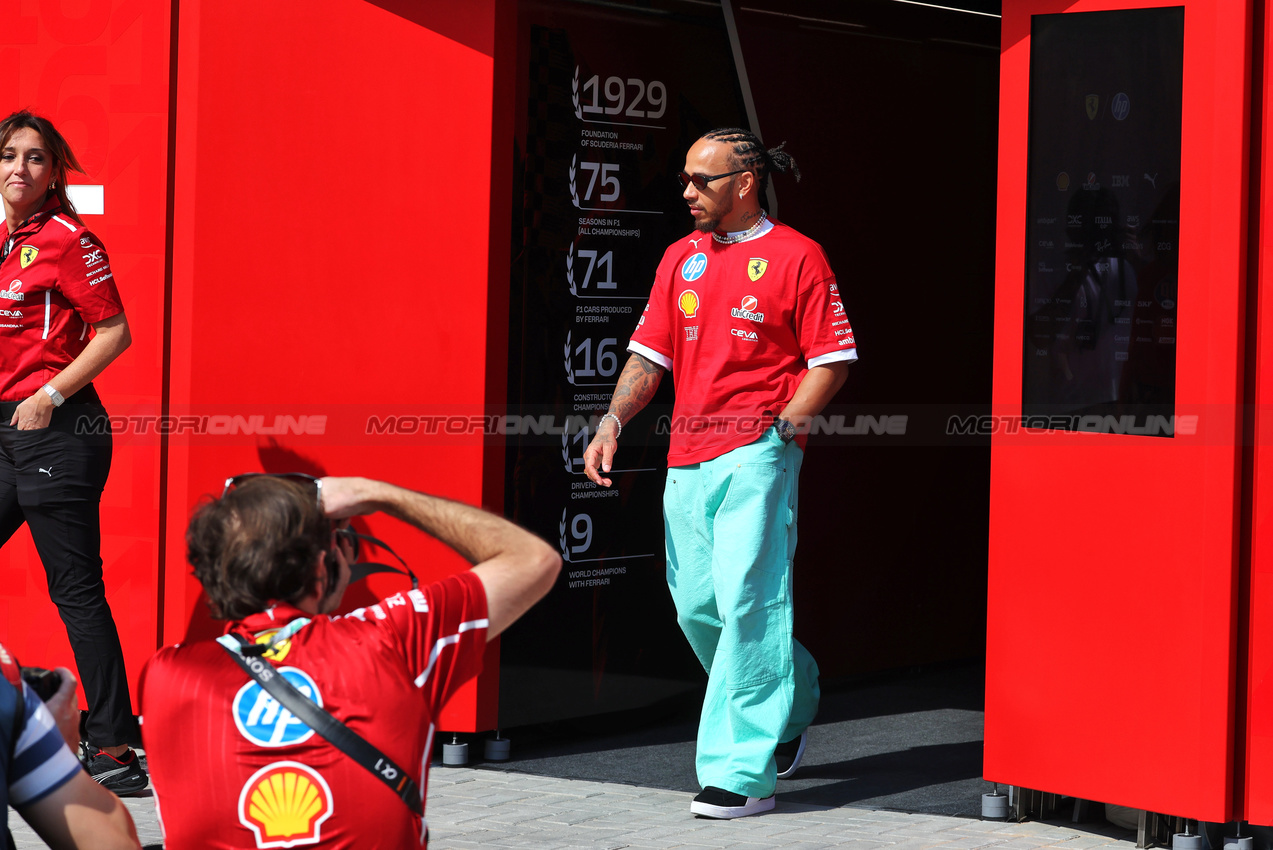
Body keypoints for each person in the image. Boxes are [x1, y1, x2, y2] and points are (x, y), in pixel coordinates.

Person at [583, 128, 857, 819]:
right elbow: (649, 357)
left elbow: (832, 360)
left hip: (756, 453)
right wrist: (613, 420)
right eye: (684, 178)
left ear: (744, 182)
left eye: (700, 181)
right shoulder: (680, 257)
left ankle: (740, 773)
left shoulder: (798, 255)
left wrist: (780, 435)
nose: (685, 192)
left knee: (746, 605)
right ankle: (791, 697)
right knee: (698, 607)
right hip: (686, 456)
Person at [139, 474, 561, 848]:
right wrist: (378, 493)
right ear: (324, 566)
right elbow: (533, 559)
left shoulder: (165, 676)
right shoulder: (390, 641)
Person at [0, 110, 142, 794]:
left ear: (55, 171)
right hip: (4, 431)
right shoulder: (3, 239)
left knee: (76, 591)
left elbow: (114, 333)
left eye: (33, 159)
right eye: (8, 156)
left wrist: (50, 395)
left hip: (57, 429)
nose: (18, 170)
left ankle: (115, 748)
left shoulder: (69, 239)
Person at [0, 643, 141, 849]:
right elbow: (115, 842)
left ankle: (113, 759)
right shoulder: (8, 681)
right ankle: (114, 758)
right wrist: (59, 747)